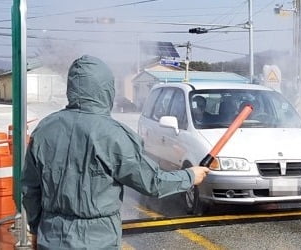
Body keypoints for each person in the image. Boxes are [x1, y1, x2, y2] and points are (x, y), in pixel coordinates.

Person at [21, 55, 210, 250]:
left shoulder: (44, 129)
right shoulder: (114, 135)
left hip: (52, 238)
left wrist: (36, 229)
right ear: (106, 90)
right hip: (99, 240)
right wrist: (190, 176)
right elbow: (153, 182)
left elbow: (29, 189)